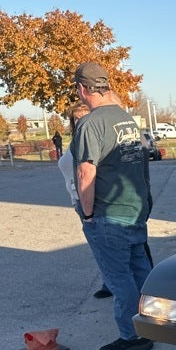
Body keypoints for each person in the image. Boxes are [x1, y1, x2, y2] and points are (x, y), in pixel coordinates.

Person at [70, 61, 154, 350]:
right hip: (134, 210)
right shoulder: (127, 120)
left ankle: (132, 336)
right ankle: (152, 324)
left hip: (108, 214)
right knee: (141, 271)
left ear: (82, 89)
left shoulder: (90, 124)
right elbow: (142, 163)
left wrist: (88, 214)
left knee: (119, 278)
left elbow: (86, 173)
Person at [58, 102, 112, 300]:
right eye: (76, 119)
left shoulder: (93, 141)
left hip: (93, 201)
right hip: (78, 200)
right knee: (97, 247)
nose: (80, 122)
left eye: (84, 117)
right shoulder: (75, 141)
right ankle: (108, 281)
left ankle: (113, 283)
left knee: (104, 246)